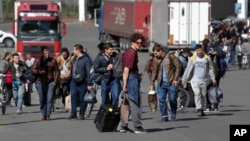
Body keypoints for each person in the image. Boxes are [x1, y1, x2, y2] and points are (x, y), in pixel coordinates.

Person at [120, 33, 147, 134]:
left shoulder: (130, 52)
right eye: (138, 43)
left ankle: (123, 126)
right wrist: (125, 85)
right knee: (135, 103)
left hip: (131, 78)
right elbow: (126, 70)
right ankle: (137, 127)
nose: (139, 44)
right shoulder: (131, 53)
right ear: (133, 42)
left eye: (141, 43)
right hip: (131, 80)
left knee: (126, 104)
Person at [149, 44, 182, 122]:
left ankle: (173, 112)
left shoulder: (170, 57)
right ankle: (164, 116)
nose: (155, 55)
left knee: (172, 99)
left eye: (156, 53)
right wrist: (151, 83)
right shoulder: (155, 59)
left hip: (171, 82)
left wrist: (175, 79)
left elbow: (178, 66)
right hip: (161, 83)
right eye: (154, 53)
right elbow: (154, 71)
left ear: (161, 51)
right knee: (161, 100)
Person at [182, 44, 216, 117]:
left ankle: (202, 108)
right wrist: (184, 80)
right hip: (194, 80)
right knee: (197, 93)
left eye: (200, 50)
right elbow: (187, 70)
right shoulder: (192, 58)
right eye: (197, 50)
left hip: (204, 80)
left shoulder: (207, 58)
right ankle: (198, 109)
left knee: (203, 95)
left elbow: (211, 68)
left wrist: (213, 78)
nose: (199, 52)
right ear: (195, 51)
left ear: (202, 50)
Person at [32, 46, 60, 120]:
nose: (47, 54)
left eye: (48, 53)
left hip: (50, 82)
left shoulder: (53, 60)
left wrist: (55, 81)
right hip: (40, 82)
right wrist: (39, 72)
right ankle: (43, 113)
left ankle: (48, 114)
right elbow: (33, 70)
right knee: (42, 98)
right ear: (42, 53)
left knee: (49, 98)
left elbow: (57, 71)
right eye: (45, 53)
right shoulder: (38, 60)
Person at [67, 44, 92, 120]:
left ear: (78, 50)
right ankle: (73, 113)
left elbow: (89, 72)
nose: (73, 51)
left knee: (82, 98)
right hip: (74, 81)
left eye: (74, 50)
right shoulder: (74, 59)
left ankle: (81, 114)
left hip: (82, 82)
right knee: (73, 95)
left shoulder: (86, 59)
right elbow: (71, 69)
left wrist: (89, 83)